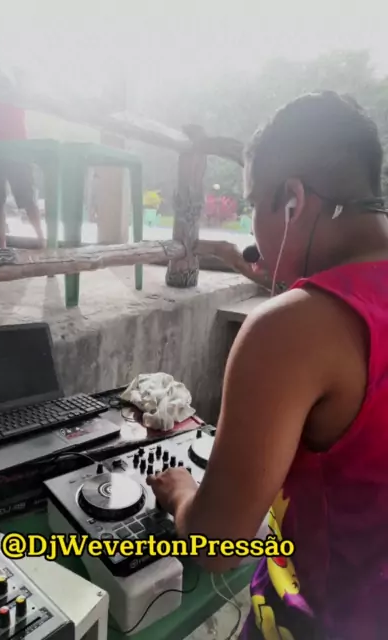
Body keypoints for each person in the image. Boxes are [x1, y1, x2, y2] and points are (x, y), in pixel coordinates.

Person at [148, 91, 388, 639]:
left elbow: (218, 545)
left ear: (292, 201)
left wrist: (181, 491)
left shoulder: (290, 330)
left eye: (255, 203)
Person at [0, 36, 45, 249]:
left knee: (26, 198)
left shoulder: (10, 72)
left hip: (16, 145)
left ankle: (42, 241)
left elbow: (28, 90)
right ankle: (3, 246)